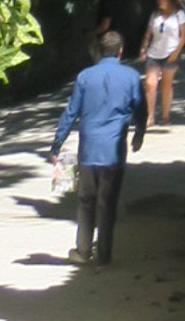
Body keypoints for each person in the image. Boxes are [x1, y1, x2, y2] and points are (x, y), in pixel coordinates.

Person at [47, 32, 145, 264]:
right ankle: (104, 255)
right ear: (120, 51)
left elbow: (70, 112)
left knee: (86, 201)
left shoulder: (84, 77)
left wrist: (56, 146)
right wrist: (139, 134)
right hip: (113, 151)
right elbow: (141, 109)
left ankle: (82, 251)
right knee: (107, 202)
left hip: (89, 150)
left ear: (100, 51)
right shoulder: (131, 76)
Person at [141, 0, 185, 126]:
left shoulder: (179, 15)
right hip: (154, 53)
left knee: (166, 85)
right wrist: (143, 47)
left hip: (170, 53)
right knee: (150, 84)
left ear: (170, 0)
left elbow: (184, 35)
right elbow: (148, 33)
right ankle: (150, 116)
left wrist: (176, 52)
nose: (159, 0)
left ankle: (165, 116)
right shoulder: (155, 15)